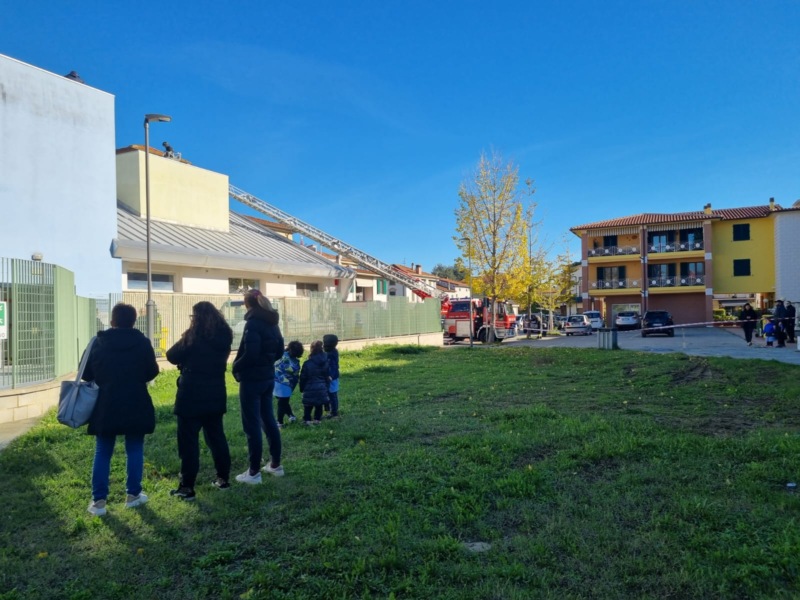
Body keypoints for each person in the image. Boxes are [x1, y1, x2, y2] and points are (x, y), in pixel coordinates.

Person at [83, 302, 159, 517]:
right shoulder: (142, 342)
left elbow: (87, 374)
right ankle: (133, 495)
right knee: (134, 448)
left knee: (103, 450)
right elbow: (152, 371)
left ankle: (98, 502)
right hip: (136, 401)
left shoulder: (98, 342)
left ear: (112, 320)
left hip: (106, 404)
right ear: (134, 320)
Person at [165, 301, 234, 501]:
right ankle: (223, 478)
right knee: (216, 438)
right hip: (215, 392)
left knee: (188, 442)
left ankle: (187, 486)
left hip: (191, 394)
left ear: (196, 318)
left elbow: (171, 356)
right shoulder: (225, 335)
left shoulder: (193, 336)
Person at [231, 290, 285, 483]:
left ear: (247, 304)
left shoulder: (253, 323)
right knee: (268, 419)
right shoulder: (273, 322)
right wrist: (267, 361)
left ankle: (253, 472)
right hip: (268, 377)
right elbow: (280, 349)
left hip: (252, 379)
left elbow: (251, 353)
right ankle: (275, 465)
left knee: (251, 424)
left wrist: (236, 366)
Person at [274, 341, 304, 427]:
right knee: (283, 401)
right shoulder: (296, 363)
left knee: (281, 402)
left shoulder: (282, 355)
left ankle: (279, 422)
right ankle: (291, 416)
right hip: (287, 384)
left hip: (278, 382)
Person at [299, 340, 329, 425]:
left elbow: (303, 377)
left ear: (311, 349)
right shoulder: (325, 362)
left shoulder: (307, 363)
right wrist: (326, 387)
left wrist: (302, 388)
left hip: (309, 387)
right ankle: (317, 419)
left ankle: (307, 420)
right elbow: (327, 376)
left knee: (308, 405)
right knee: (319, 405)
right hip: (321, 387)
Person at [323, 334, 340, 418]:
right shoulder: (329, 351)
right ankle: (330, 411)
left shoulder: (331, 353)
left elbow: (333, 366)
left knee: (332, 395)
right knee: (328, 394)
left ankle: (334, 412)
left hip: (332, 378)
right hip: (327, 377)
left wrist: (331, 376)